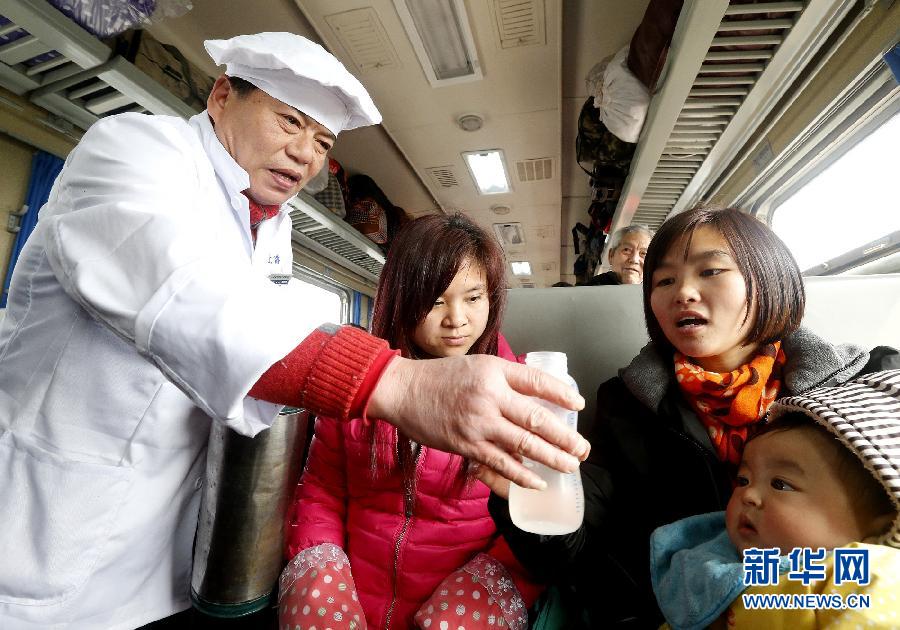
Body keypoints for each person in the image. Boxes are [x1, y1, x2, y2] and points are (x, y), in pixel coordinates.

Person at [0, 33, 587, 630]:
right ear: (222, 95)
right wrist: (396, 383)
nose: (306, 155)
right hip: (57, 529)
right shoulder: (135, 150)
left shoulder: (271, 226)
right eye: (290, 122)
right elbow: (182, 296)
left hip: (176, 548)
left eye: (323, 141)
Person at [484, 206, 899, 628]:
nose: (682, 292)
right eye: (664, 281)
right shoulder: (626, 406)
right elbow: (579, 558)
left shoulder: (867, 383)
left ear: (768, 278)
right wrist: (529, 497)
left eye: (711, 271)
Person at [278, 214, 542, 630]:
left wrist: (477, 598)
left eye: (474, 298)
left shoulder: (522, 397)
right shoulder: (353, 385)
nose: (457, 319)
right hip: (351, 600)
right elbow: (321, 490)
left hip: (458, 603)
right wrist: (321, 586)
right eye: (435, 301)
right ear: (401, 299)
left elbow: (535, 524)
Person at [650, 370, 900, 629]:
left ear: (878, 527)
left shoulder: (867, 576)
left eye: (780, 484)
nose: (748, 495)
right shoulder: (713, 560)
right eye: (743, 480)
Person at [584, 224, 653, 286]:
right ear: (611, 255)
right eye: (626, 250)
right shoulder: (589, 289)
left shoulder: (653, 293)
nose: (634, 259)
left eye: (644, 253)